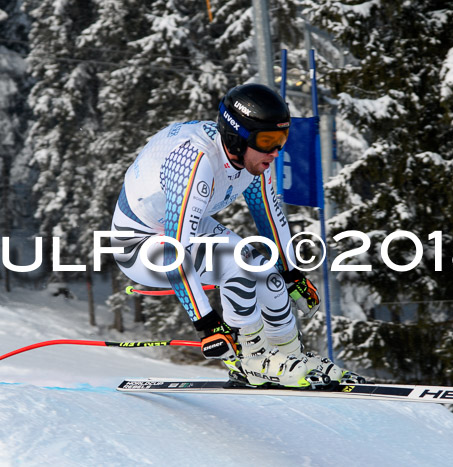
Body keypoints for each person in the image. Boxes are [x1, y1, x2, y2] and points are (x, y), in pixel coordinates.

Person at [110, 83, 363, 388]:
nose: (275, 151)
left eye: (282, 139)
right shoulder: (196, 162)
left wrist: (292, 274)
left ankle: (290, 357)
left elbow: (269, 215)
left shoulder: (252, 157)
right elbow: (177, 252)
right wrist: (205, 322)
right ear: (236, 137)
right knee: (239, 265)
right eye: (267, 140)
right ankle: (254, 360)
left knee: (265, 274)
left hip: (179, 226)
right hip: (138, 241)